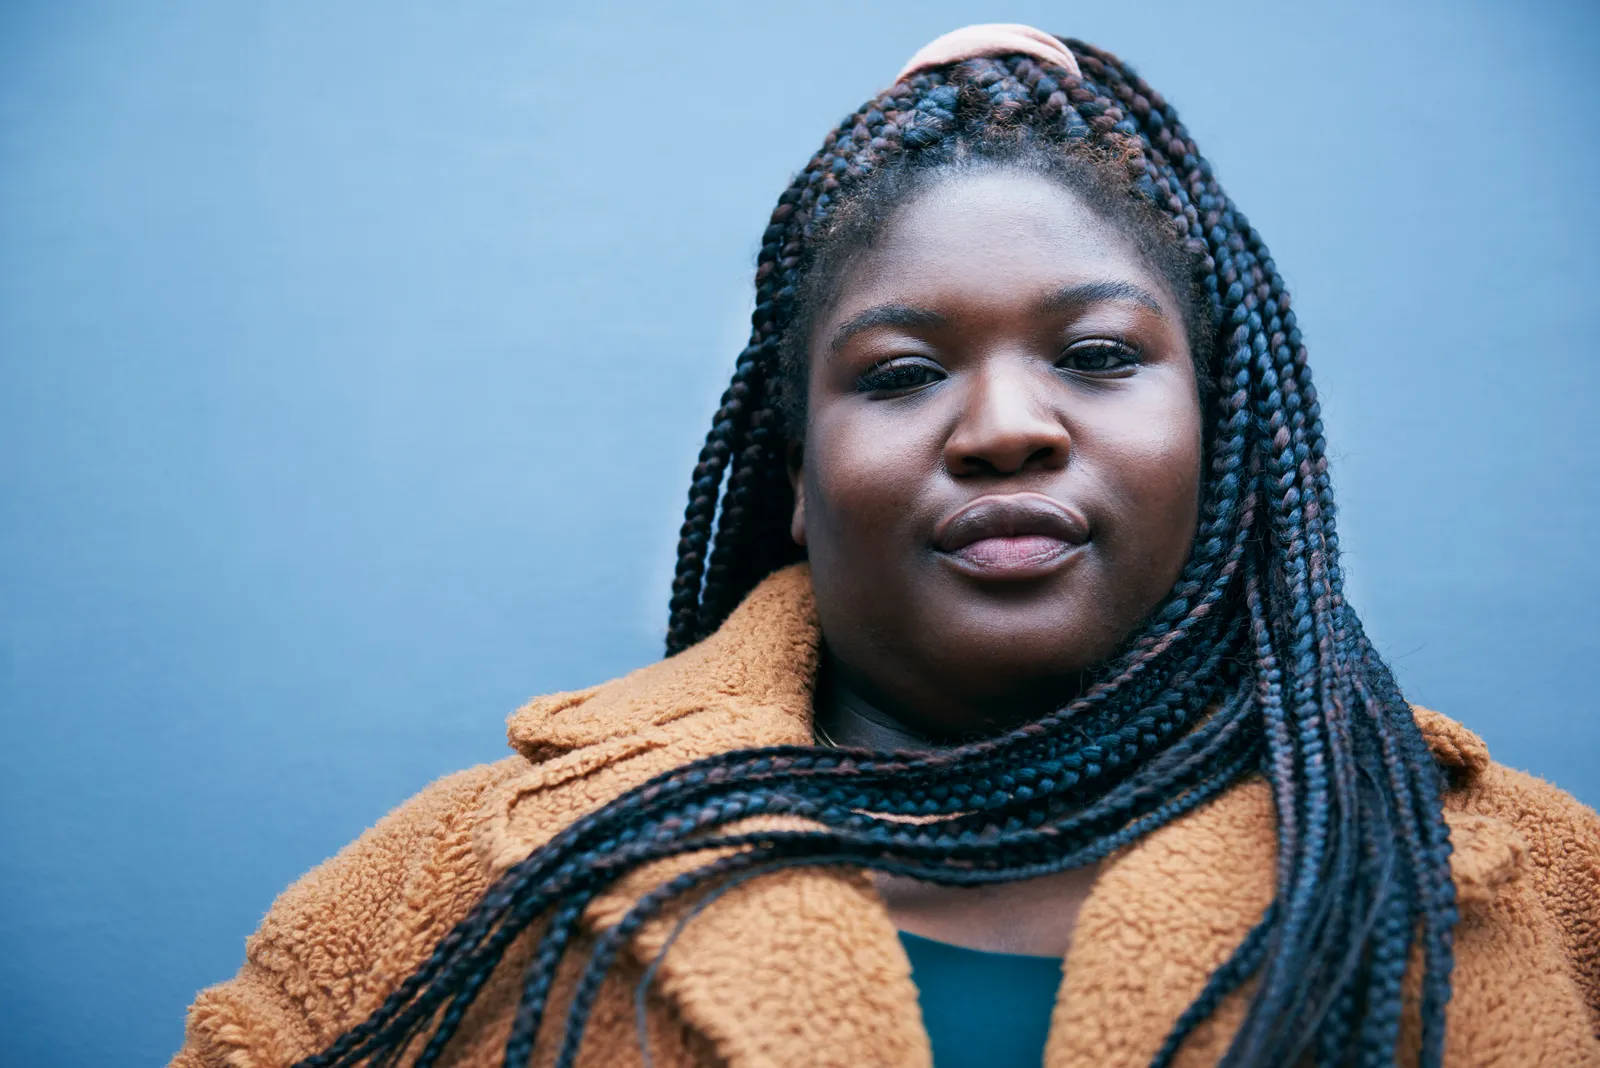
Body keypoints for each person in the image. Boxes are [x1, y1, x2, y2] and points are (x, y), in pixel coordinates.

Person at [171, 24, 1600, 1068]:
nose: (1002, 428)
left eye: (1097, 354)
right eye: (903, 374)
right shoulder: (449, 894)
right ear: (795, 475)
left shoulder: (1546, 880)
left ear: (1223, 436)